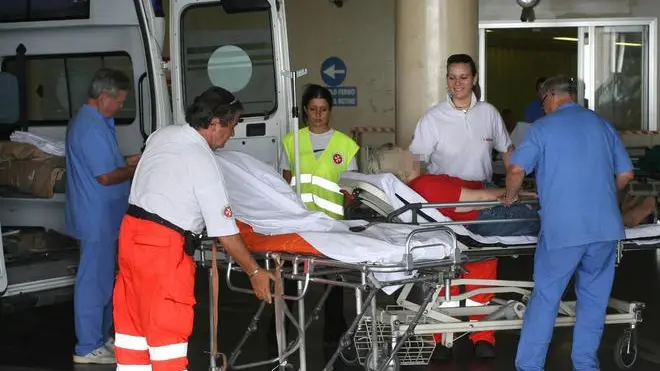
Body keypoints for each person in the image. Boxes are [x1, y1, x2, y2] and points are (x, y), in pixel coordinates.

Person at [112, 87, 274, 371]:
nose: (232, 134)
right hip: (163, 250)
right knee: (167, 334)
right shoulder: (203, 160)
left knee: (133, 329)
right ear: (215, 124)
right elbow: (225, 233)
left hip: (130, 237)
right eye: (233, 125)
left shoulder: (162, 135)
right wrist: (255, 271)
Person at [501, 75, 635, 371]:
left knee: (546, 299)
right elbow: (626, 175)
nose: (542, 109)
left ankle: (530, 367)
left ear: (549, 97)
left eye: (542, 103)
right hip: (604, 229)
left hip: (564, 229)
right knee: (593, 302)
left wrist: (510, 197)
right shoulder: (602, 125)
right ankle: (586, 365)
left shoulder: (543, 128)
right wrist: (601, 197)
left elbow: (516, 169)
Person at [408, 53, 514, 358]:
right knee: (444, 268)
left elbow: (508, 151)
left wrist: (513, 184)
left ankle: (483, 336)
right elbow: (416, 164)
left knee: (482, 266)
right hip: (444, 200)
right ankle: (442, 336)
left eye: (463, 77)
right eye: (452, 77)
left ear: (475, 79)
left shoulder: (489, 114)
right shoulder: (432, 118)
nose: (457, 84)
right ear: (446, 79)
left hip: (481, 195)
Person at [65, 68, 141, 365]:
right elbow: (106, 177)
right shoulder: (90, 127)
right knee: (92, 282)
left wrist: (126, 161)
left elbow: (106, 165)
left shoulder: (98, 122)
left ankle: (100, 337)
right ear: (104, 96)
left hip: (104, 216)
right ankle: (87, 346)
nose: (121, 107)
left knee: (104, 281)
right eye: (120, 101)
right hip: (95, 217)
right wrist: (135, 169)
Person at [279, 84, 360, 353]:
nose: (317, 115)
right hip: (298, 222)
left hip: (331, 223)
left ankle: (334, 332)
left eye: (323, 110)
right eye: (312, 109)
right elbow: (284, 180)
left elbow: (352, 186)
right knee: (290, 279)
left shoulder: (344, 146)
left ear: (330, 111)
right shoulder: (292, 141)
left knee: (332, 282)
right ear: (305, 110)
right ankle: (279, 331)